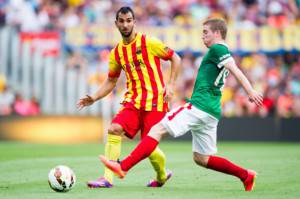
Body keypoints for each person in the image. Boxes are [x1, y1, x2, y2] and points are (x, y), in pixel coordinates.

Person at [99, 18, 263, 191]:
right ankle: (246, 175)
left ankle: (123, 166)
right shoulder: (222, 51)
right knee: (202, 158)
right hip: (212, 112)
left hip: (199, 106)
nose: (203, 36)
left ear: (217, 33)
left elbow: (234, 68)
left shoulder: (217, 48)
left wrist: (250, 91)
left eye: (205, 32)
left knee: (156, 129)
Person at [77, 6, 181, 188]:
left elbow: (176, 58)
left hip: (155, 102)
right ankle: (107, 178)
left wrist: (171, 85)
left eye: (129, 20)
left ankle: (162, 175)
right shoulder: (116, 53)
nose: (125, 25)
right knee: (114, 129)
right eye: (122, 21)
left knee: (147, 146)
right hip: (133, 101)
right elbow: (111, 81)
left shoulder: (149, 42)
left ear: (134, 22)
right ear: (116, 23)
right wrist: (94, 97)